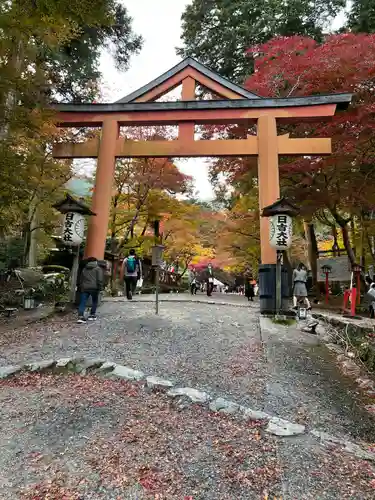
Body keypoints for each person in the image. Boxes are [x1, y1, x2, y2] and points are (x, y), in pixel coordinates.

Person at [77, 257, 103, 323]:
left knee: (83, 302)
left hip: (84, 287)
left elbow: (81, 279)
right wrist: (100, 288)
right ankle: (92, 315)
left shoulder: (84, 269)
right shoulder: (98, 268)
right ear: (95, 261)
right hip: (94, 288)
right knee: (94, 301)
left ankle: (80, 317)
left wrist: (80, 286)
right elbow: (99, 279)